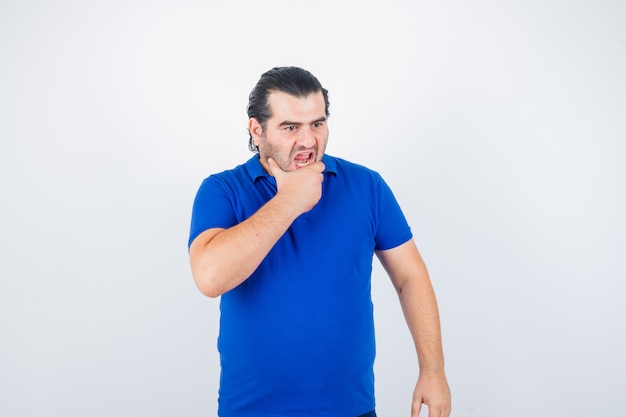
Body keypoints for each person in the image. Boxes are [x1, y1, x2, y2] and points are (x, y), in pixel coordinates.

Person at [188, 66, 451, 417]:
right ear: (257, 129)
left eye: (317, 123)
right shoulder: (222, 190)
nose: (309, 141)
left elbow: (410, 277)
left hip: (351, 410)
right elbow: (209, 277)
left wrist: (432, 370)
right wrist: (288, 202)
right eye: (290, 127)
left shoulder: (367, 186)